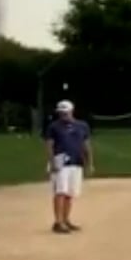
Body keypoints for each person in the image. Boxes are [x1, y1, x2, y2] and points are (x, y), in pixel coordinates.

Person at [42, 98, 93, 234]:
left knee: (70, 193)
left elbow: (86, 145)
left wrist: (89, 163)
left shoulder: (82, 126)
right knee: (60, 192)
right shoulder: (53, 127)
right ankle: (58, 222)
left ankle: (66, 219)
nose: (63, 114)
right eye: (61, 112)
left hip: (76, 162)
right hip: (61, 163)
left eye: (65, 112)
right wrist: (52, 163)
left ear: (72, 111)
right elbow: (49, 145)